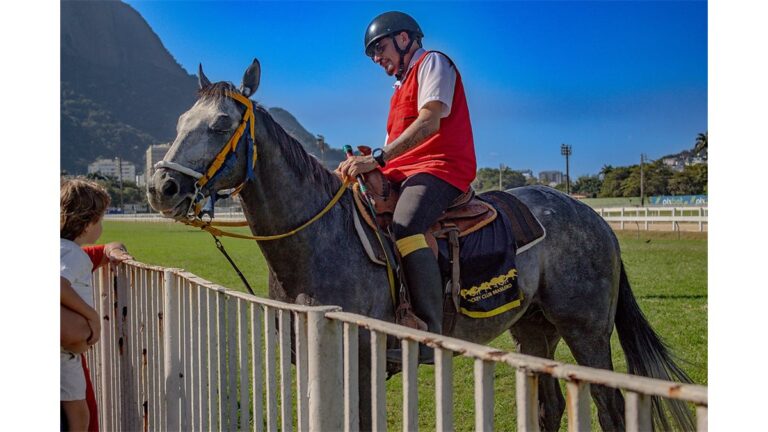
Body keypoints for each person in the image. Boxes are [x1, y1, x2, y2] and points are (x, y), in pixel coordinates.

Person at [338, 11, 477, 363]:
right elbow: (393, 146)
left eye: (379, 48)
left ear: (404, 39)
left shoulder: (433, 63)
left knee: (406, 225)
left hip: (441, 168)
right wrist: (364, 164)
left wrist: (378, 159)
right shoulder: (399, 89)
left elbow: (429, 123)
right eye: (372, 54)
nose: (376, 58)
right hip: (406, 172)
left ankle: (429, 333)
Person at [60, 178, 132, 431]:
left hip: (68, 352)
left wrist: (113, 250)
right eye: (100, 220)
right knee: (80, 412)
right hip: (65, 356)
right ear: (87, 223)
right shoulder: (73, 254)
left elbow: (105, 249)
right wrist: (92, 318)